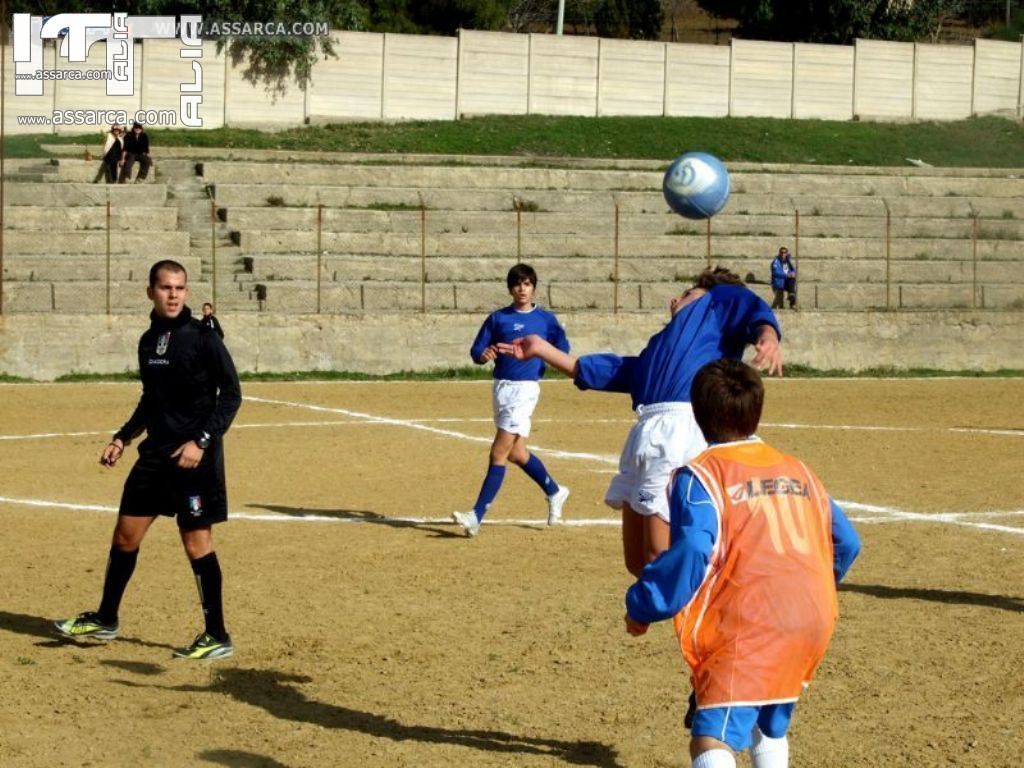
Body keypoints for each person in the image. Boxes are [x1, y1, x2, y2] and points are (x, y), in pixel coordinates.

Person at [623, 359, 861, 768]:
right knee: (766, 722)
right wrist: (809, 586)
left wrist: (643, 604)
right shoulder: (799, 470)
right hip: (812, 616)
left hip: (751, 623)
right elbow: (848, 543)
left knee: (709, 739)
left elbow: (694, 550)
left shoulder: (701, 476)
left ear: (696, 415)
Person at [500, 267, 782, 576]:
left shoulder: (717, 300)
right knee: (638, 562)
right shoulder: (662, 344)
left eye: (688, 294)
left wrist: (767, 336)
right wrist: (542, 350)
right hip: (647, 431)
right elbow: (616, 371)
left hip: (678, 428)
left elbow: (751, 307)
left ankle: (723, 596)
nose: (677, 298)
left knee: (659, 556)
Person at [54, 259, 242, 660]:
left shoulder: (204, 339)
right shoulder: (147, 340)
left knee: (197, 544)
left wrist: (201, 442)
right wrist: (122, 438)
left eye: (179, 288)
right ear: (150, 292)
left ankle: (217, 635)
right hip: (155, 457)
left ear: (186, 292)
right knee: (125, 536)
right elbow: (150, 399)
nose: (173, 295)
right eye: (165, 288)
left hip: (194, 461)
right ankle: (106, 618)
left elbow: (231, 395)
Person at [451, 263, 571, 537]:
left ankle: (476, 515)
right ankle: (555, 491)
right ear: (510, 288)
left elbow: (562, 349)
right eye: (517, 284)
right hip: (501, 388)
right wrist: (485, 355)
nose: (522, 289)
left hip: (525, 389)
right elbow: (477, 351)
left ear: (534, 287)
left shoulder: (546, 320)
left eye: (527, 284)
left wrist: (541, 353)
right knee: (517, 452)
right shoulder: (498, 318)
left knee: (499, 452)